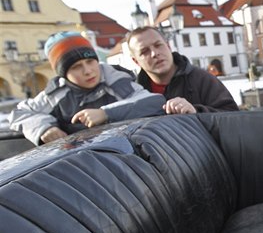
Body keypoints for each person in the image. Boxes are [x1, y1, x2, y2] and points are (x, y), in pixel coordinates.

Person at [9, 31, 166, 146]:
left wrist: (105, 113)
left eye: (90, 61)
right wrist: (44, 128)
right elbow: (19, 113)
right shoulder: (56, 94)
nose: (88, 71)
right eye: (77, 67)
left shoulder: (115, 79)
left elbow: (153, 102)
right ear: (63, 73)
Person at [126, 26, 239, 114]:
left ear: (168, 46)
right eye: (144, 51)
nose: (155, 53)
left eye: (158, 45)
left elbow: (234, 118)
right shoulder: (135, 97)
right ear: (136, 61)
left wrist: (196, 111)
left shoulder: (202, 80)